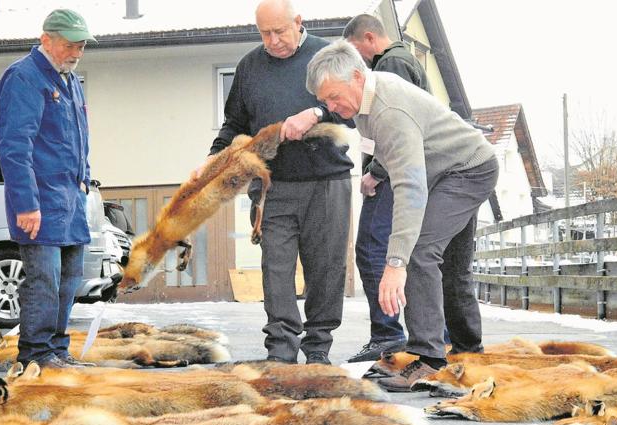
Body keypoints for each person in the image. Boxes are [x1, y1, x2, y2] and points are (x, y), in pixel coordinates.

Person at [306, 40, 499, 392]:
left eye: (334, 97)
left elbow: (410, 187)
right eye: (325, 103)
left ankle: (428, 357)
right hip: (448, 168)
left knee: (421, 249)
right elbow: (403, 145)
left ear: (355, 76)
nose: (332, 107)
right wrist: (377, 172)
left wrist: (396, 262)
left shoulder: (387, 108)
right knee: (452, 267)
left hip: (468, 170)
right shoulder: (367, 101)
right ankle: (469, 353)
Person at [197, 0, 353, 365]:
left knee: (326, 267)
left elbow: (352, 108)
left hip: (326, 181)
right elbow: (234, 124)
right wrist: (214, 158)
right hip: (273, 186)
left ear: (298, 22)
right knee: (276, 269)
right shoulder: (249, 67)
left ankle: (317, 348)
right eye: (264, 33)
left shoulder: (326, 56)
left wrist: (316, 111)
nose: (273, 40)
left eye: (279, 31)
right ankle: (281, 351)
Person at [0, 9, 96, 368]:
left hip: (70, 200)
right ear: (46, 40)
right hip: (39, 203)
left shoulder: (69, 80)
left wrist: (85, 178)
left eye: (81, 46)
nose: (76, 52)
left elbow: (78, 139)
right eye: (69, 45)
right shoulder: (24, 78)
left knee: (69, 280)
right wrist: (26, 204)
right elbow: (13, 145)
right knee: (44, 282)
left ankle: (56, 351)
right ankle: (35, 356)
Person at [342, 14, 432, 363]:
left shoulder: (391, 64)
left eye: (353, 51)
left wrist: (377, 172)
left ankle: (388, 335)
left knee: (372, 248)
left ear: (368, 38)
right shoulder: (403, 60)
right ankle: (410, 335)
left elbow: (399, 125)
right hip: (399, 173)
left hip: (394, 177)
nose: (355, 62)